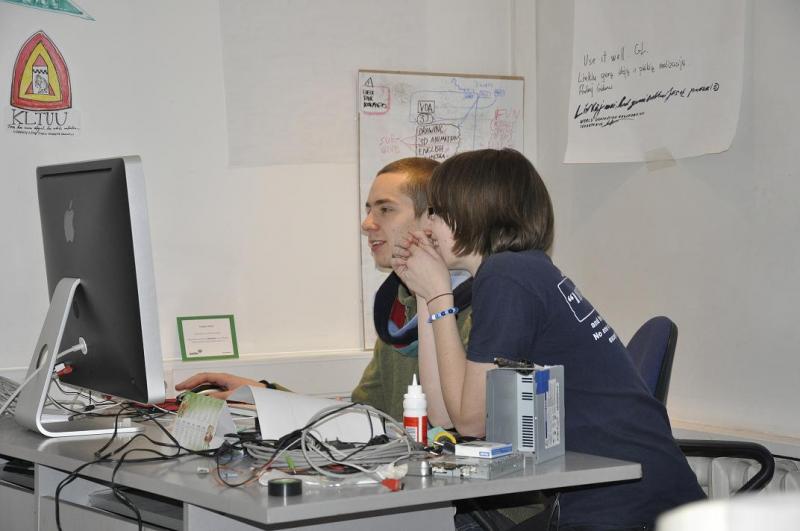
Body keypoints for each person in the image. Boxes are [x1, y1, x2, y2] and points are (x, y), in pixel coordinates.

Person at [392, 148, 705, 530]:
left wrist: (441, 296)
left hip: (630, 502)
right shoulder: (521, 270)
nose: (426, 225)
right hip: (612, 491)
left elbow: (471, 420)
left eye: (436, 212)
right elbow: (444, 413)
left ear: (474, 210)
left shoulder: (507, 275)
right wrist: (426, 296)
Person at [175, 157, 473, 423]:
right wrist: (262, 395)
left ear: (432, 219)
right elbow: (362, 416)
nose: (367, 224)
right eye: (369, 210)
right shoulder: (397, 310)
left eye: (385, 209)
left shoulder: (471, 311)